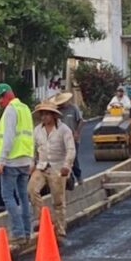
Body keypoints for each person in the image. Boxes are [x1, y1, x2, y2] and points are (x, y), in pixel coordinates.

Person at [0, 82, 34, 243]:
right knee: (23, 197)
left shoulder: (10, 110)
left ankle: (18, 233)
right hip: (24, 161)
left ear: (8, 94)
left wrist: (1, 161)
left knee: (8, 197)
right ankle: (26, 231)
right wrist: (31, 159)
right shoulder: (24, 108)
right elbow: (29, 137)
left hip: (11, 162)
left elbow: (8, 138)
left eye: (0, 98)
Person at [28, 102, 76, 239]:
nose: (44, 117)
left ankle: (61, 229)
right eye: (42, 114)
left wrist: (67, 165)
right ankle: (43, 220)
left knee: (58, 201)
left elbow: (71, 150)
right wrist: (31, 164)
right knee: (32, 190)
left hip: (57, 167)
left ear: (53, 116)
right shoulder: (37, 130)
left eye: (47, 114)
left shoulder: (64, 130)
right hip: (42, 166)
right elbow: (33, 150)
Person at [51, 91, 83, 183]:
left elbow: (81, 121)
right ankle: (69, 179)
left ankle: (78, 175)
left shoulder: (73, 108)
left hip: (73, 138)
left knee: (73, 158)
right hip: (60, 139)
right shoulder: (56, 111)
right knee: (62, 159)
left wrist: (77, 132)